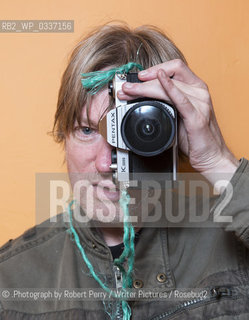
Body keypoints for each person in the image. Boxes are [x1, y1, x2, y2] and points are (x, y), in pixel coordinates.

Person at [0, 23, 249, 320]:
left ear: (174, 135)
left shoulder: (231, 244)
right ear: (63, 134)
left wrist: (217, 161)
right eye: (87, 130)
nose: (107, 165)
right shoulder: (11, 279)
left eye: (134, 133)